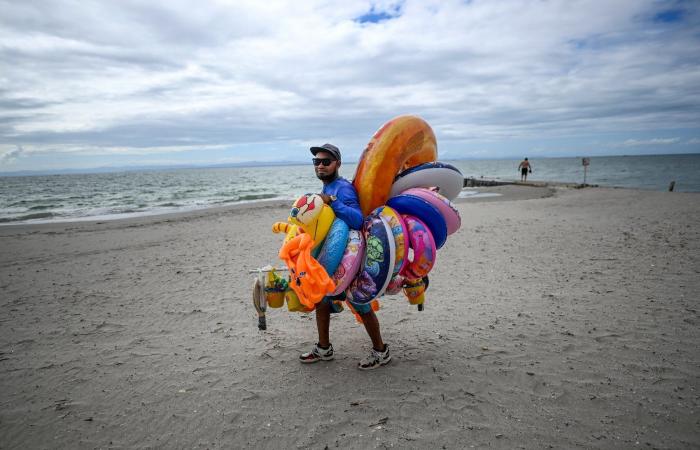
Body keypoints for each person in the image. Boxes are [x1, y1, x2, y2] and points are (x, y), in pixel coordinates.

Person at [298, 143, 392, 370]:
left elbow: (358, 219)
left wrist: (334, 202)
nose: (320, 165)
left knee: (361, 305)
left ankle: (381, 351)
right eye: (316, 162)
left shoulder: (343, 189)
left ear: (337, 164)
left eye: (326, 161)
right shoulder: (327, 188)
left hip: (350, 259)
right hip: (332, 256)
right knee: (322, 300)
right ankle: (324, 348)